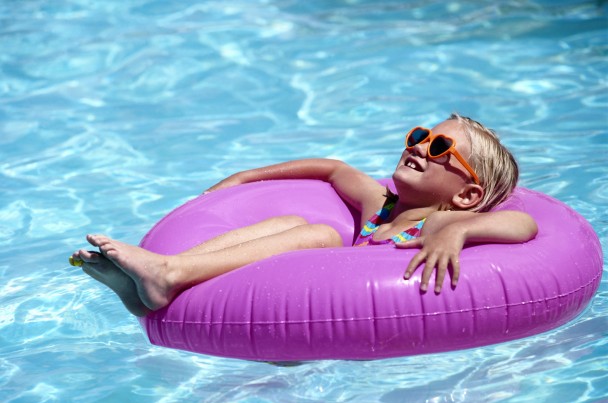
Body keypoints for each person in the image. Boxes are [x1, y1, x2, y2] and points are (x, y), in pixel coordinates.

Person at [70, 114, 538, 317]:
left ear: (466, 195)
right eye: (420, 135)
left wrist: (460, 233)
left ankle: (169, 275)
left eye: (439, 148)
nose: (418, 146)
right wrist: (246, 176)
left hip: (318, 330)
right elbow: (333, 168)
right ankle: (159, 281)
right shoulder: (381, 207)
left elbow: (524, 225)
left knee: (321, 235)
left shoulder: (436, 223)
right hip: (284, 303)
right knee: (291, 225)